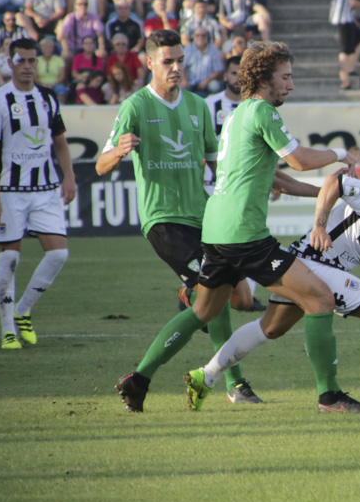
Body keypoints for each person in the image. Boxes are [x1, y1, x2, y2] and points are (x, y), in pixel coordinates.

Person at [121, 41, 360, 413]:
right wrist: (340, 155)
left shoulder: (238, 115)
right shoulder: (263, 113)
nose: (291, 85)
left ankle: (138, 379)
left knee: (203, 311)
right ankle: (330, 396)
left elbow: (279, 180)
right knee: (320, 299)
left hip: (216, 232)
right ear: (266, 79)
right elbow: (300, 160)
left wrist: (331, 193)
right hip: (244, 235)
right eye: (286, 77)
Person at [102, 31, 293, 412]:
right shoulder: (135, 107)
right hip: (165, 221)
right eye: (168, 61)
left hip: (206, 216)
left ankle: (151, 366)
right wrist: (119, 152)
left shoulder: (197, 106)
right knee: (216, 300)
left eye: (180, 61)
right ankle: (233, 383)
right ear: (150, 63)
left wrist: (260, 183)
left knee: (239, 298)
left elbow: (220, 164)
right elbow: (100, 163)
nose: (175, 68)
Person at [186, 172, 360, 411]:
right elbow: (336, 182)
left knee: (270, 328)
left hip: (308, 266)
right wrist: (319, 226)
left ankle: (206, 375)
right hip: (311, 261)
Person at [0, 38, 75, 350]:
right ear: (10, 63)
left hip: (46, 189)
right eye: (21, 60)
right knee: (9, 258)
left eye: (32, 61)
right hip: (10, 192)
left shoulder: (48, 97)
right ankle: (7, 329)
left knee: (59, 253)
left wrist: (69, 177)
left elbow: (60, 142)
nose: (27, 66)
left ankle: (22, 311)